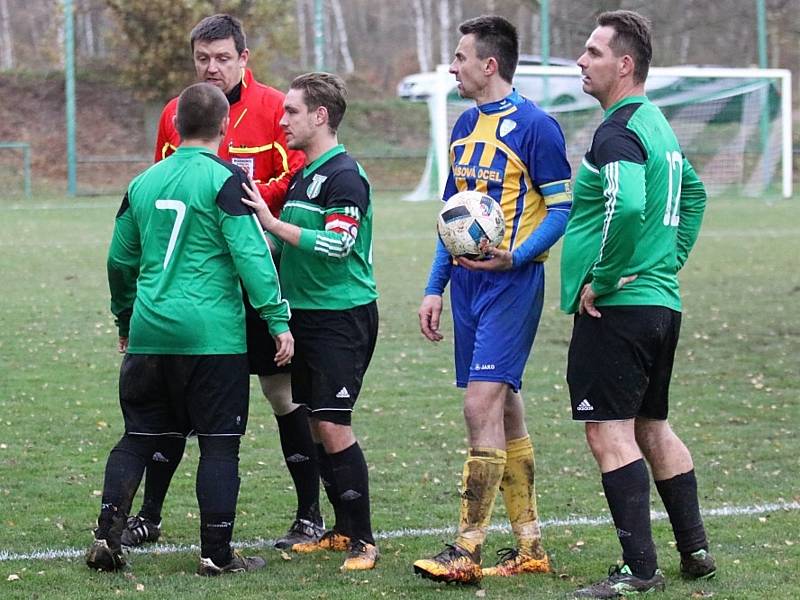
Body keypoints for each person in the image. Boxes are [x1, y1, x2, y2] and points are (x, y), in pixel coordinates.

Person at [124, 14, 322, 553]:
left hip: (260, 275)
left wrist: (255, 199)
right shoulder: (176, 114)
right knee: (173, 403)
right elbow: (162, 189)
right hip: (197, 289)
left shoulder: (276, 109)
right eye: (202, 58)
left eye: (222, 58)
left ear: (243, 58)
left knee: (282, 395)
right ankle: (148, 516)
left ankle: (309, 513)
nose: (212, 67)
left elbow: (303, 171)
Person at [86, 82, 293, 575]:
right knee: (220, 444)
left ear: (175, 127)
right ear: (225, 126)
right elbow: (251, 255)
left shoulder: (143, 182)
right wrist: (277, 319)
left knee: (138, 436)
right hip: (212, 338)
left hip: (150, 331)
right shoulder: (226, 181)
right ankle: (216, 556)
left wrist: (124, 317)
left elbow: (119, 260)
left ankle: (106, 535)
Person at [560, 10, 715, 598]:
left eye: (594, 52)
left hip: (619, 307)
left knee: (607, 430)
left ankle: (639, 568)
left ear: (624, 65)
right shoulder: (659, 127)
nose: (582, 60)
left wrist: (605, 276)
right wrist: (666, 262)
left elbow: (624, 208)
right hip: (659, 303)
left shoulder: (618, 130)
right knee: (653, 424)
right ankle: (695, 548)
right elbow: (695, 195)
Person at [413, 15, 572, 585]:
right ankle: (530, 547)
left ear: (490, 64)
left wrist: (518, 255)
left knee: (480, 405)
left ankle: (466, 550)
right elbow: (452, 217)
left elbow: (562, 209)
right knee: (503, 407)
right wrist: (436, 286)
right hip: (469, 286)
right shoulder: (461, 126)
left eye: (459, 57)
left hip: (511, 283)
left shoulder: (537, 127)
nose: (452, 66)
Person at [241, 72, 380, 571]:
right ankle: (341, 531)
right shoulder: (305, 172)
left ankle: (364, 540)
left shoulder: (344, 175)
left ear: (321, 116)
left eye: (292, 112)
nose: (282, 120)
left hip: (342, 316)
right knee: (319, 425)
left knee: (333, 424)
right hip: (308, 316)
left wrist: (275, 224)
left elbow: (339, 246)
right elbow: (291, 243)